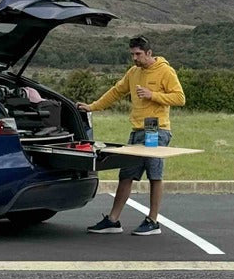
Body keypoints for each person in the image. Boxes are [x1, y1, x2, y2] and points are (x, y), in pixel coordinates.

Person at [77, 35, 185, 235]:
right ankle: (113, 220)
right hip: (136, 129)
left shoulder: (165, 71)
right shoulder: (133, 72)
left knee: (154, 174)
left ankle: (153, 221)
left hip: (155, 128)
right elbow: (116, 92)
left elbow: (179, 97)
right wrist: (92, 107)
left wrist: (153, 95)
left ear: (149, 53)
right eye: (132, 54)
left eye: (138, 54)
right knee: (126, 174)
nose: (134, 58)